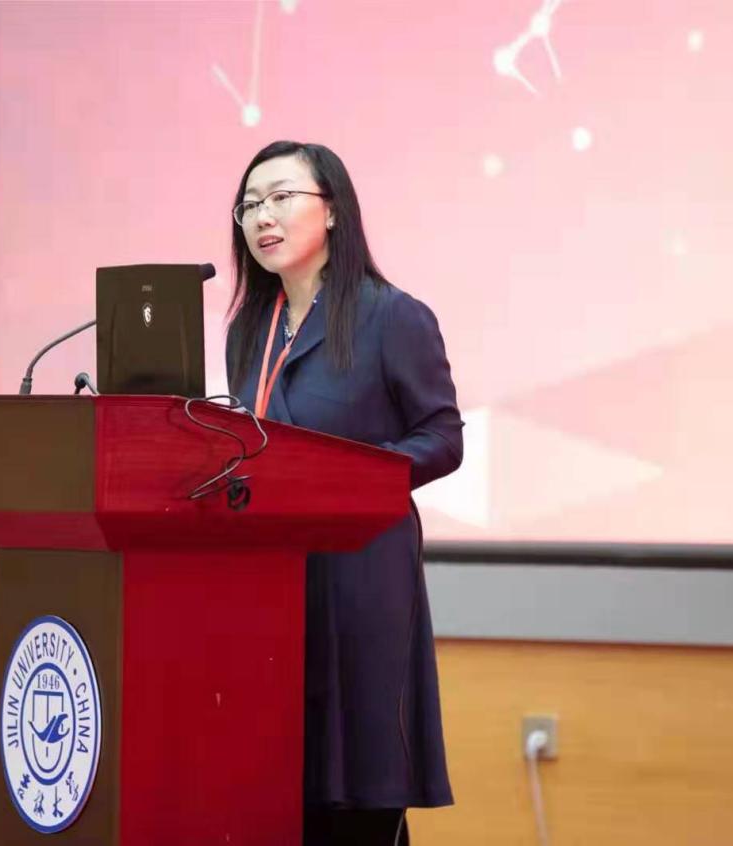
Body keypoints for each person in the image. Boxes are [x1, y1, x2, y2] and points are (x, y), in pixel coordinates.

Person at [224, 141, 464, 846]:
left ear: (332, 211)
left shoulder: (391, 316)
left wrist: (349, 477)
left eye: (280, 197)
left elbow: (442, 436)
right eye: (249, 205)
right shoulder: (249, 329)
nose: (262, 217)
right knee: (281, 789)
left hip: (361, 577)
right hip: (272, 581)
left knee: (358, 791)